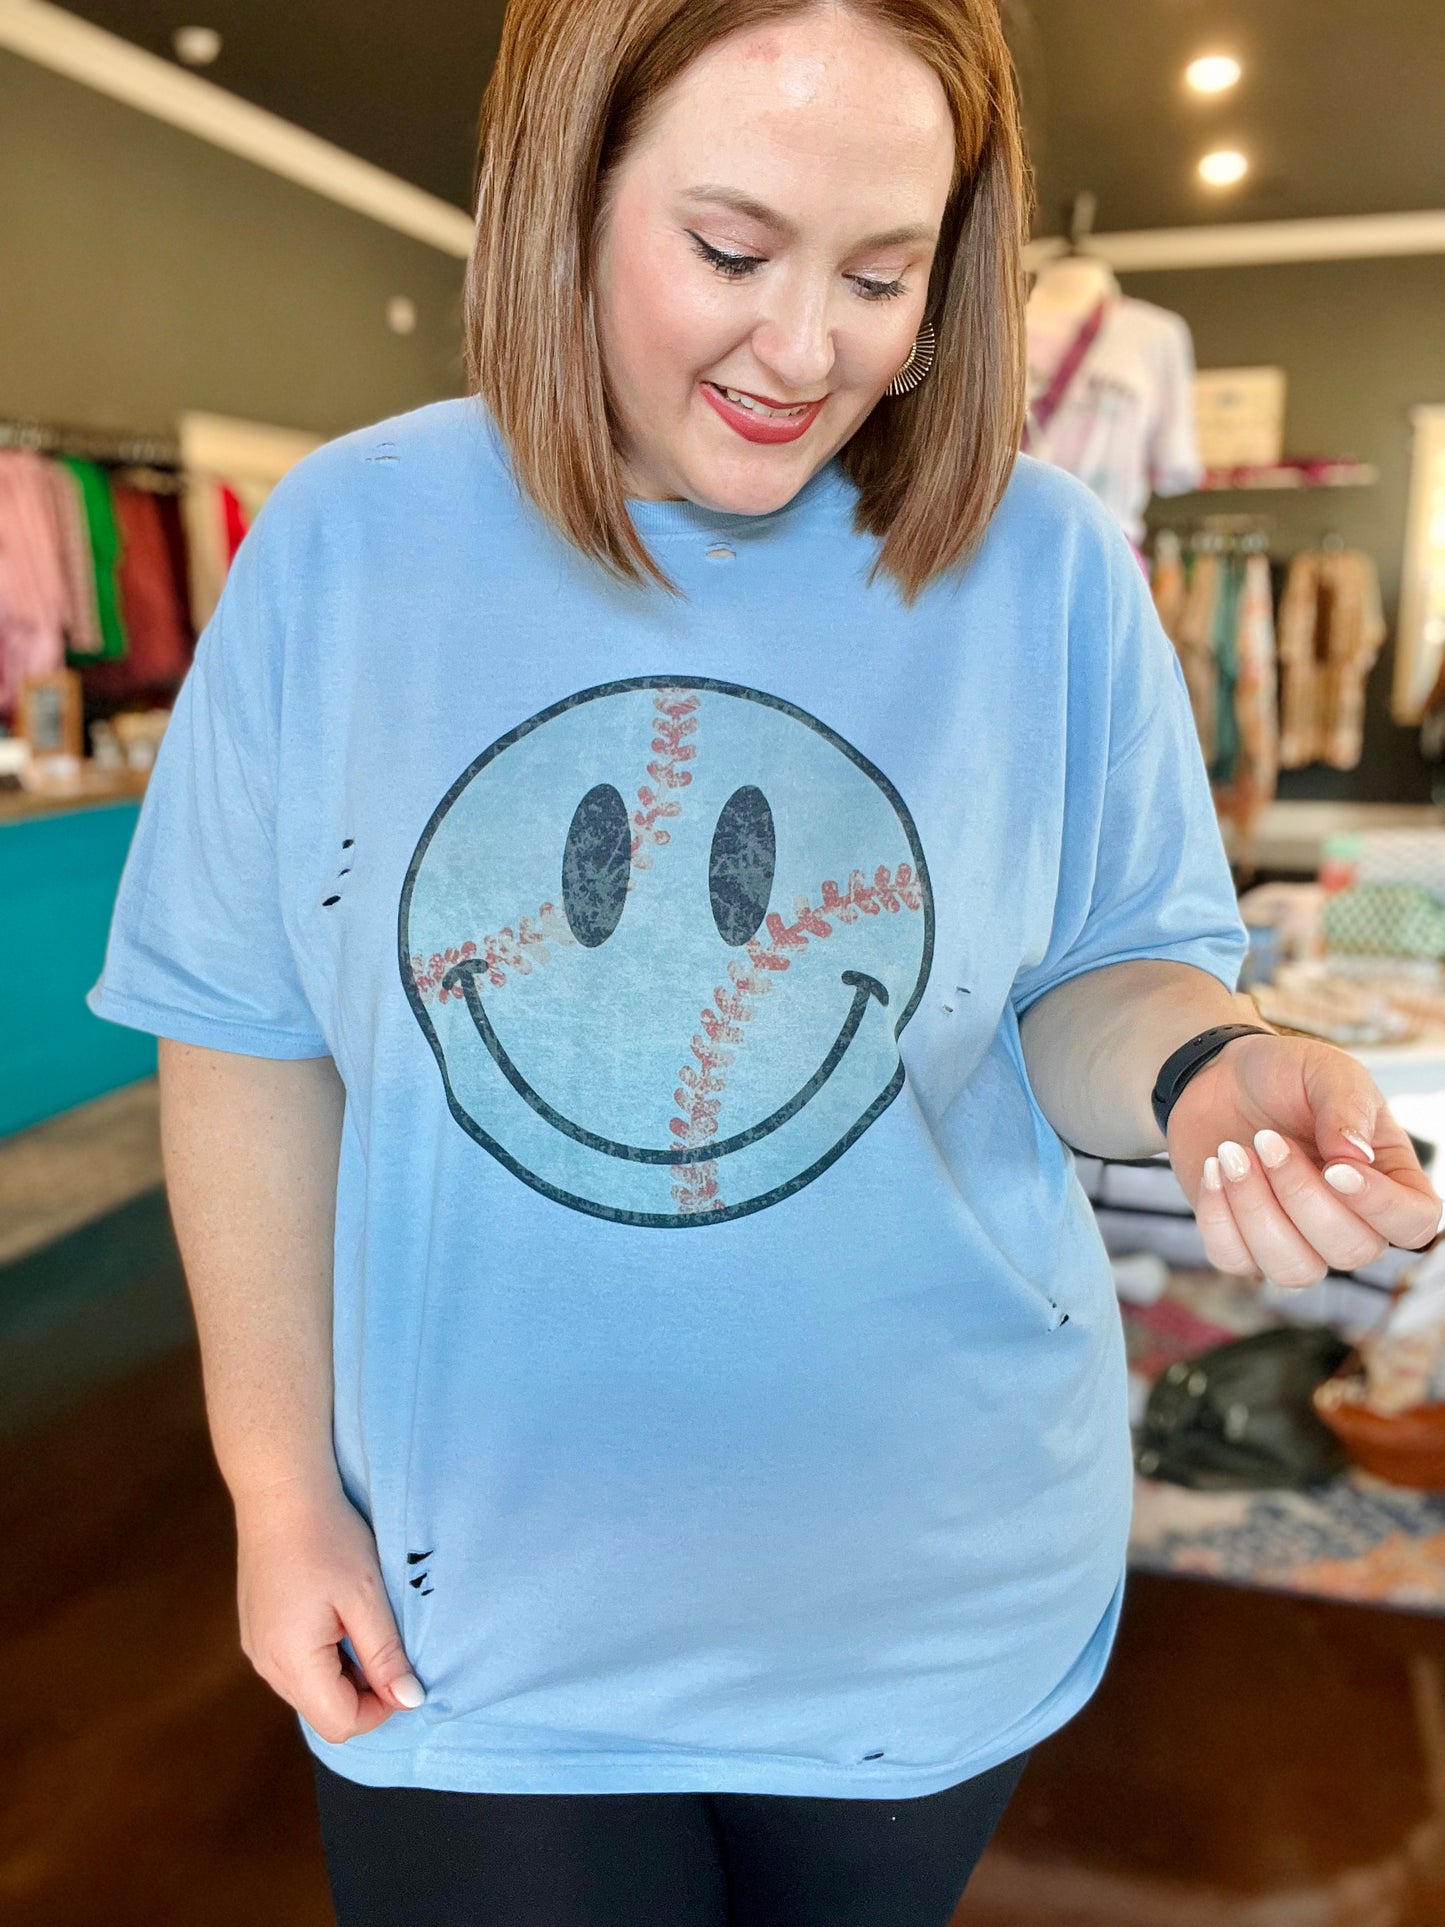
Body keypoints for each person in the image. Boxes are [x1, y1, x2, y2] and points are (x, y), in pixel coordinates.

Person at [88, 0, 1442, 1921]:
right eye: (728, 251)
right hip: (475, 1623)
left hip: (931, 1596)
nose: (807, 350)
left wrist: (1207, 1067)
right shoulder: (343, 546)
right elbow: (243, 1035)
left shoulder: (1045, 566)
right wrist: (273, 1488)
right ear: (565, 192)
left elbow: (1091, 977)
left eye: (883, 274)